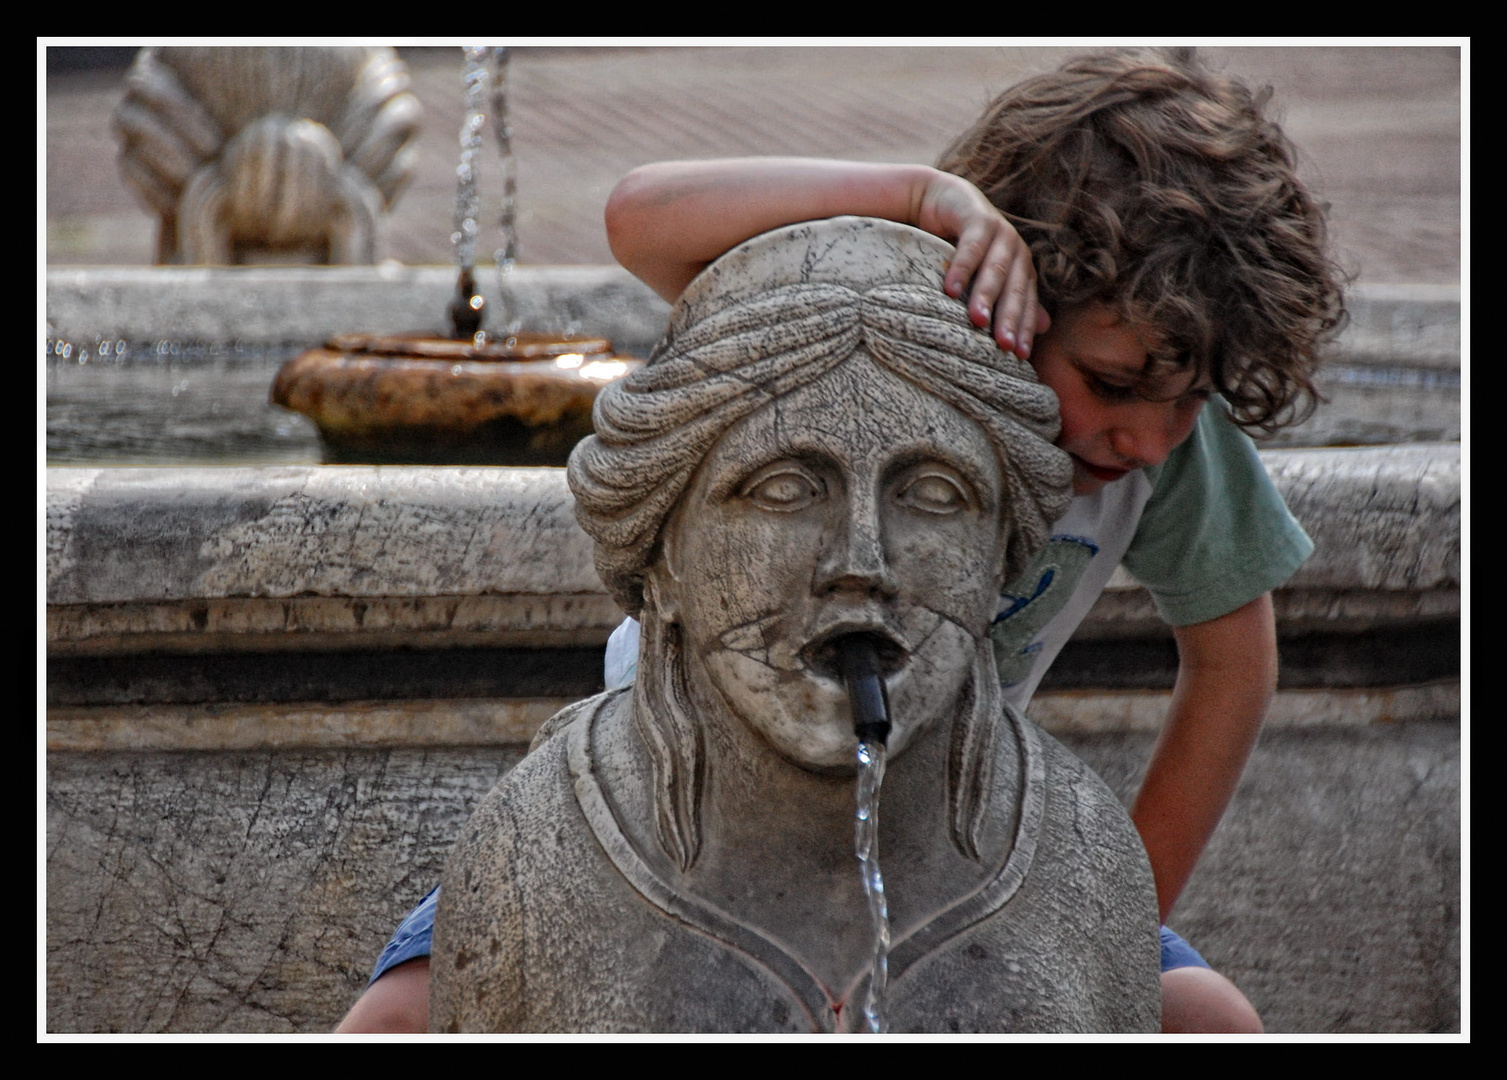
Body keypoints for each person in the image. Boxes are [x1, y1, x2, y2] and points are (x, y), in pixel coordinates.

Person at [337, 49, 1345, 1034]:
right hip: (687, 806)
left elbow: (1231, 664)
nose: (1148, 436)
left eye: (1190, 400)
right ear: (1010, 294)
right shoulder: (898, 319)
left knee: (1210, 1020)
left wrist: (1113, 916)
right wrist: (919, 200)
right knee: (400, 1014)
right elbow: (638, 215)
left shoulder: (1164, 449)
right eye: (1113, 383)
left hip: (945, 826)